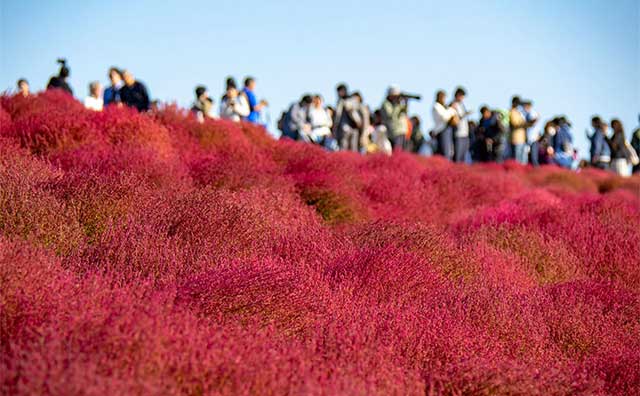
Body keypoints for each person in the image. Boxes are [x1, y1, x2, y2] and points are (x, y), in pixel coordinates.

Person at [381, 86, 409, 151]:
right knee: (396, 150)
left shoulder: (397, 104)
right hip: (393, 131)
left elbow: (404, 112)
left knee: (402, 150)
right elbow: (391, 116)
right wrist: (397, 105)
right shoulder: (386, 104)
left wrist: (406, 103)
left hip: (402, 130)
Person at [431, 90, 456, 159]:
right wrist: (451, 109)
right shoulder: (436, 106)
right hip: (441, 130)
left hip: (447, 130)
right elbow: (445, 117)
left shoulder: (443, 107)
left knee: (448, 151)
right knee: (444, 152)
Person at [450, 87, 472, 163]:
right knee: (457, 157)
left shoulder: (461, 105)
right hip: (457, 133)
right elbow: (455, 118)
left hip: (464, 133)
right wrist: (465, 114)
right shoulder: (453, 105)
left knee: (463, 157)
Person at [509, 96, 528, 164]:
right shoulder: (512, 111)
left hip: (522, 139)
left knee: (523, 161)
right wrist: (527, 124)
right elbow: (515, 124)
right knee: (517, 161)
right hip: (516, 139)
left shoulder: (519, 112)